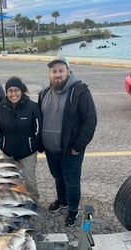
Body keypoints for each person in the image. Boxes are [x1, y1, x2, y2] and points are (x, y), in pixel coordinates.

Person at [38, 57, 97, 226]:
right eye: (54, 71)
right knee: (58, 177)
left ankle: (72, 209)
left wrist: (78, 146)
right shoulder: (44, 93)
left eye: (60, 71)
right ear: (50, 74)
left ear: (68, 72)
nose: (57, 75)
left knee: (72, 180)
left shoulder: (79, 91)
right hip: (51, 149)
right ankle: (62, 200)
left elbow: (90, 120)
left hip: (71, 149)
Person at [0, 76, 42, 205]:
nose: (13, 94)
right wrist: (3, 145)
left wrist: (32, 146)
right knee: (10, 180)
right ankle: (13, 202)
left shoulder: (32, 107)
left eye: (16, 90)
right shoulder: (0, 108)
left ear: (22, 91)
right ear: (6, 92)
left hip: (28, 153)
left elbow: (38, 130)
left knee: (30, 180)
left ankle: (33, 202)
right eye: (10, 91)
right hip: (8, 152)